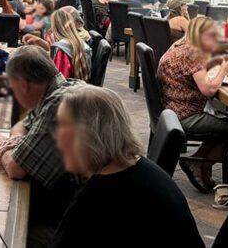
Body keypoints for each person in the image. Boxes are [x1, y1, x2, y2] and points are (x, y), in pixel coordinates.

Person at [51, 87, 203, 248]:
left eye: (62, 126)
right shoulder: (146, 172)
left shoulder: (91, 204)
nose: (56, 136)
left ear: (86, 135)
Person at [0, 46, 84, 247]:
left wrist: (2, 145)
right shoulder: (59, 90)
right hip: (68, 205)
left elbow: (16, 169)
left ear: (24, 85)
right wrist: (17, 142)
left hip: (71, 222)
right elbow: (21, 126)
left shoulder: (59, 103)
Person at [157, 16, 228, 192]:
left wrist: (213, 62)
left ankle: (198, 162)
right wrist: (223, 70)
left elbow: (188, 72)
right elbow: (208, 90)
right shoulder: (194, 54)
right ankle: (201, 164)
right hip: (186, 115)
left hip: (170, 111)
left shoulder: (178, 47)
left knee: (226, 124)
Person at [46, 10, 91, 80]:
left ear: (55, 28)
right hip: (81, 85)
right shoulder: (80, 43)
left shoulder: (62, 49)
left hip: (67, 89)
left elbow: (60, 80)